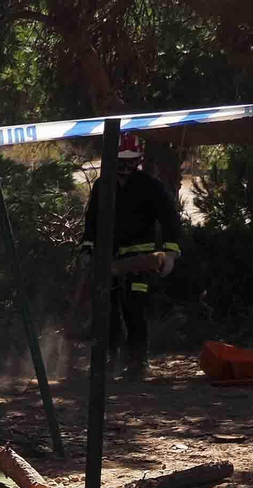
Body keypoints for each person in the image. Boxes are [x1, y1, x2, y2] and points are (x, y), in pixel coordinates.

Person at [80, 131, 181, 382]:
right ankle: (110, 359)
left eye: (131, 161)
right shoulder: (102, 186)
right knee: (109, 307)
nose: (125, 167)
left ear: (139, 159)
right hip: (109, 260)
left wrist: (170, 253)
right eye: (120, 161)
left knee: (134, 307)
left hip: (141, 261)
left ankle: (138, 361)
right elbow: (91, 221)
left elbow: (170, 220)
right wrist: (87, 249)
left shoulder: (151, 186)